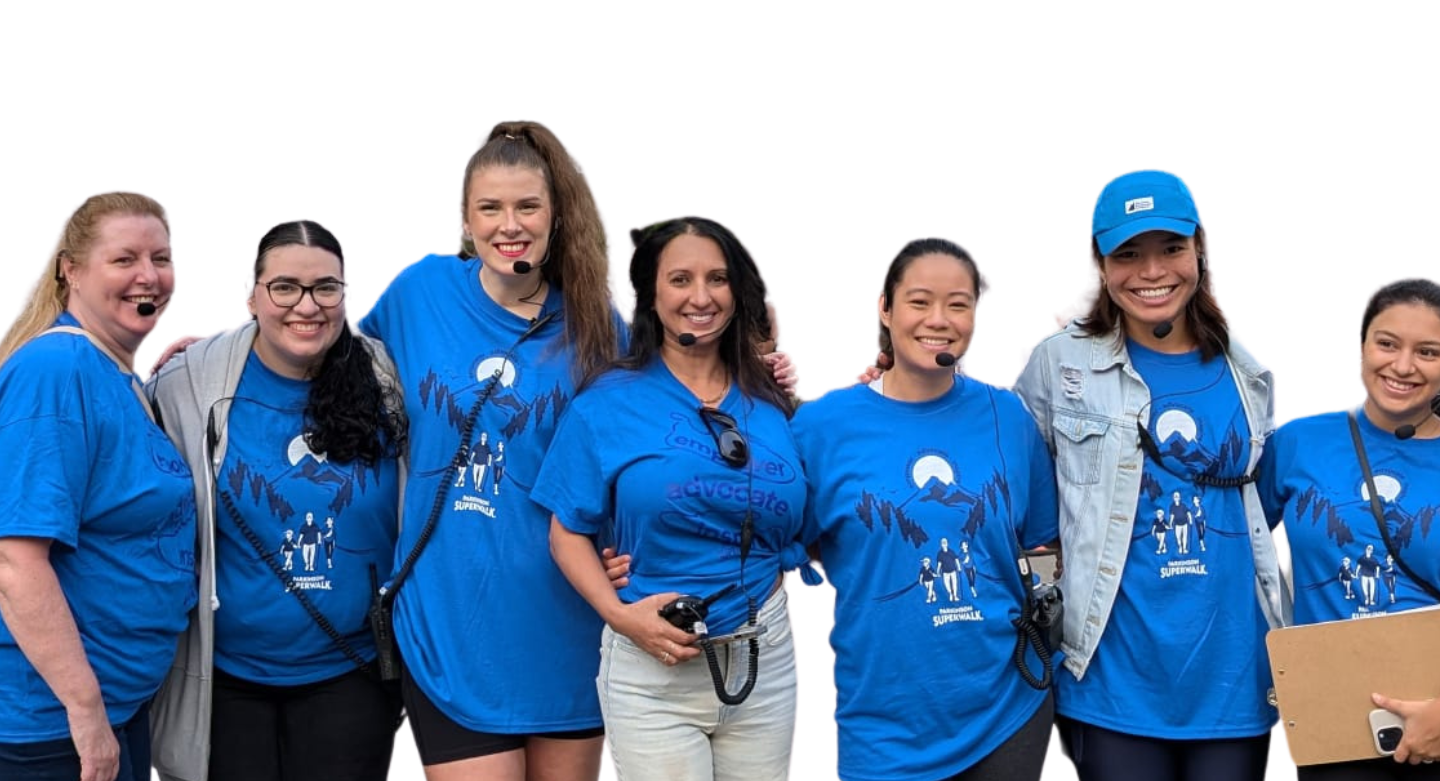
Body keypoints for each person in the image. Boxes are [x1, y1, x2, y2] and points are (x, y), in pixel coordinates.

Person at [341, 122, 804, 780]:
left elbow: (667, 418)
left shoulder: (596, 319)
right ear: (465, 223)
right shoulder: (421, 290)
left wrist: (760, 379)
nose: (511, 224)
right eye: (491, 208)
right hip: (452, 617)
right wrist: (224, 352)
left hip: (568, 618)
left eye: (528, 206)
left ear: (556, 217)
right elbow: (336, 364)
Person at [1009, 168, 1293, 779]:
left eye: (1171, 249)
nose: (1153, 272)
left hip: (1234, 684)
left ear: (1200, 250)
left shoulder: (1249, 373)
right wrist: (897, 380)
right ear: (1101, 266)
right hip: (1112, 685)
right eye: (1128, 254)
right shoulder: (1058, 365)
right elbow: (999, 463)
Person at [1254, 275, 1440, 780]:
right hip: (1333, 717)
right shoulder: (1296, 444)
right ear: (1360, 349)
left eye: (1428, 352)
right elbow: (1236, 545)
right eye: (1387, 344)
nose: (1402, 365)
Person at [537, 215, 805, 781]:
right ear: (650, 295)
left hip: (765, 656)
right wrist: (620, 616)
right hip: (653, 668)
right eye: (680, 279)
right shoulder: (606, 402)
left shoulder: (774, 400)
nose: (701, 297)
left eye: (717, 278)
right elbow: (567, 531)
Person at [789, 236, 1063, 781]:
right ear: (884, 308)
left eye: (958, 304)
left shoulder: (1007, 417)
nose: (938, 319)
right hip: (882, 719)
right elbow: (786, 539)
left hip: (1008, 704)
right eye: (919, 301)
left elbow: (1042, 542)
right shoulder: (822, 426)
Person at [0, 189, 197, 781]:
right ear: (71, 270)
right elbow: (9, 558)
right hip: (48, 715)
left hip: (109, 700)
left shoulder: (113, 373)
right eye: (124, 260)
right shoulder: (53, 375)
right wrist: (85, 715)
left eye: (160, 259)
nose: (149, 276)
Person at [146, 219, 408, 781]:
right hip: (224, 679)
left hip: (351, 668)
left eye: (325, 288)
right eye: (284, 287)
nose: (306, 306)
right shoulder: (190, 383)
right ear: (251, 295)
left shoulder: (389, 379)